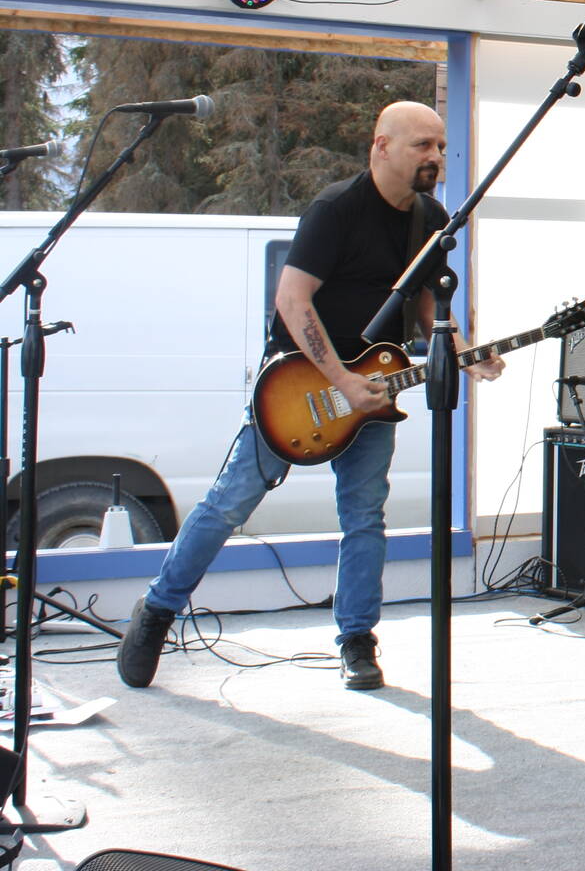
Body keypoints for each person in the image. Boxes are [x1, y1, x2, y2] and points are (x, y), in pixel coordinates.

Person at [117, 101, 502, 692]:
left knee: (365, 517)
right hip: (298, 384)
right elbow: (293, 300)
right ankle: (156, 612)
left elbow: (425, 302)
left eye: (439, 146)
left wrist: (464, 352)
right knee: (228, 503)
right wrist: (342, 382)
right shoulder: (336, 210)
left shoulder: (431, 217)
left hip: (375, 386)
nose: (435, 156)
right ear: (381, 146)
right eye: (422, 145)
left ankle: (356, 640)